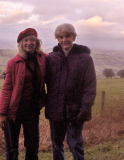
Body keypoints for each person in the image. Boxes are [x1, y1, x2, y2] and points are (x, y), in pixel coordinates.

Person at [45, 23, 96, 160]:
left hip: (76, 110)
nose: (64, 40)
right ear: (57, 39)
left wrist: (85, 108)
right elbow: (40, 80)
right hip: (55, 109)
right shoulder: (51, 58)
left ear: (73, 36)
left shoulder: (85, 58)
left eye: (67, 36)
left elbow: (90, 86)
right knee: (56, 144)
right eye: (60, 37)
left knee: (75, 145)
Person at [0, 28, 47, 160]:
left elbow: (59, 58)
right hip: (14, 108)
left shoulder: (44, 59)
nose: (29, 43)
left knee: (32, 144)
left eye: (32, 40)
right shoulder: (13, 62)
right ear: (21, 43)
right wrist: (2, 113)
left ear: (37, 43)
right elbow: (7, 88)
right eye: (26, 40)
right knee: (11, 146)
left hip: (33, 107)